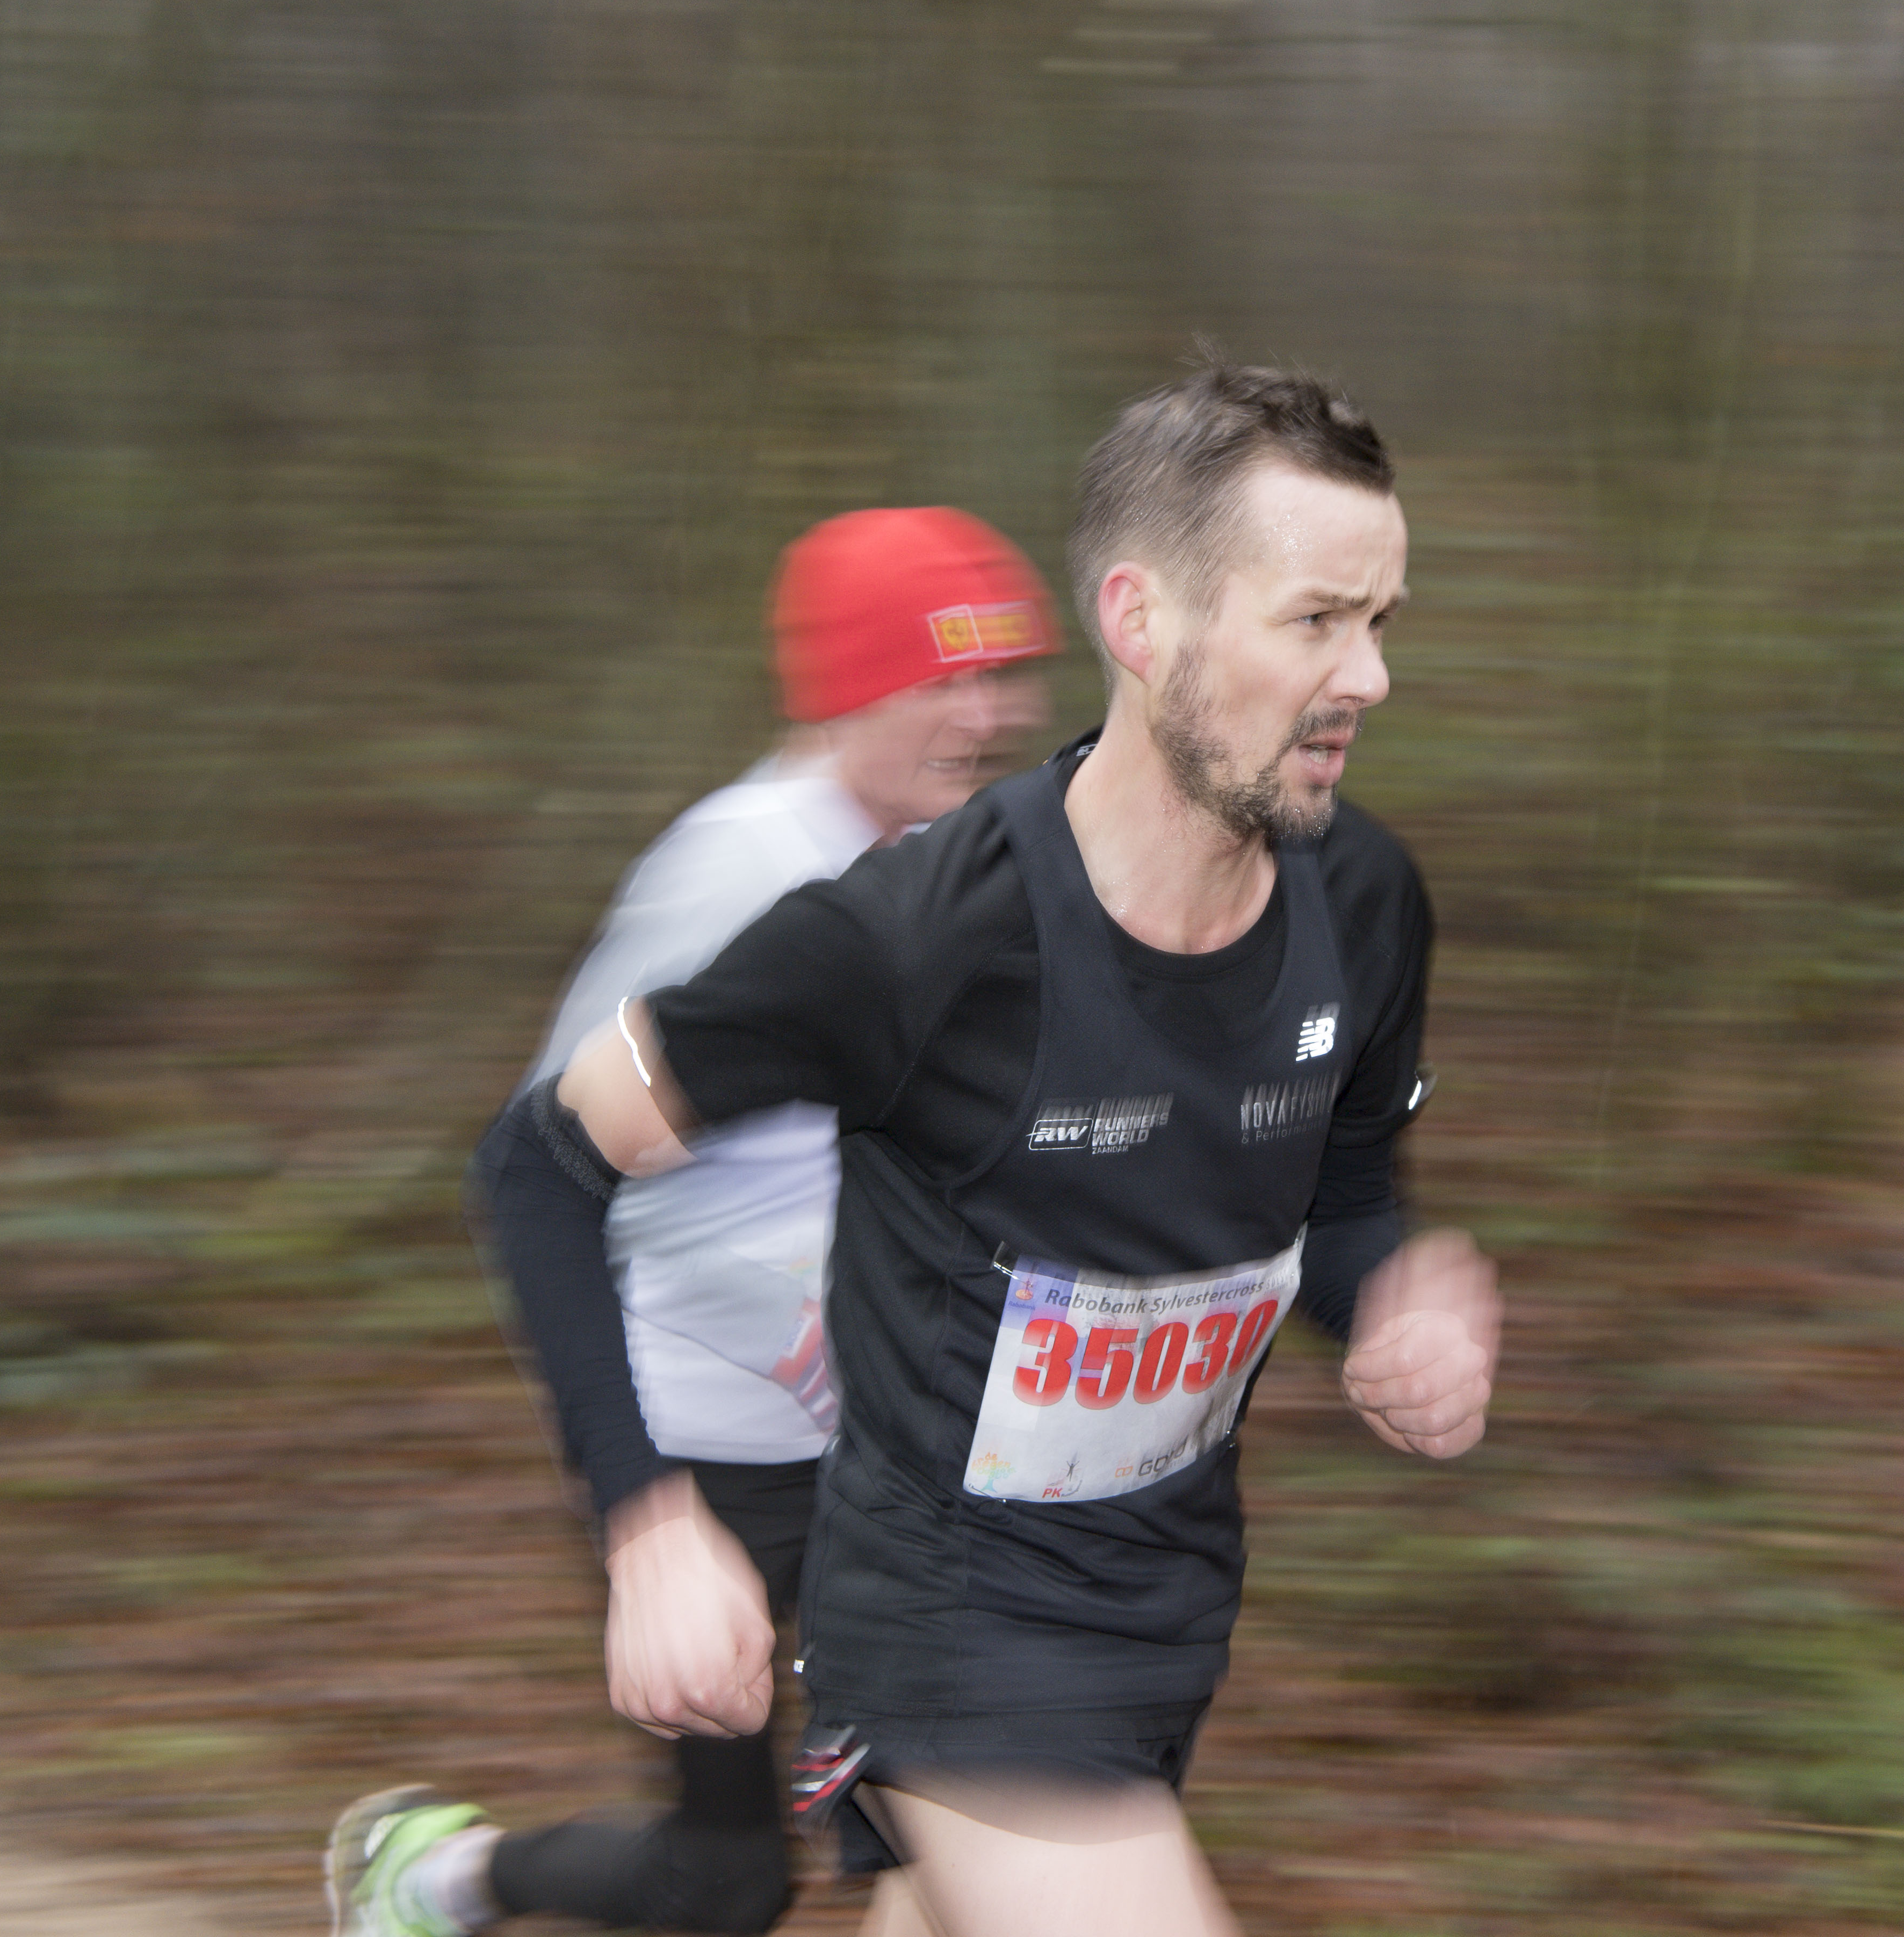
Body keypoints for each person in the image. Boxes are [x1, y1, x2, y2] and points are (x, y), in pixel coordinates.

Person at [493, 357, 1499, 1937]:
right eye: (1315, 620)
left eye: (1381, 621)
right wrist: (652, 1524)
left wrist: (1393, 1301)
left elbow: (1346, 1197)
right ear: (1143, 622)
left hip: (1166, 1615)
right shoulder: (917, 938)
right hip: (947, 1629)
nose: (1367, 675)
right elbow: (539, 1163)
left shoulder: (1366, 903)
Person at [326, 508, 1059, 1937]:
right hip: (698, 1448)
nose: (984, 717)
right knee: (726, 1884)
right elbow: (528, 1173)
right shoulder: (736, 870)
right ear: (843, 687)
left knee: (971, 1828)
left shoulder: (969, 862)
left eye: (1001, 677)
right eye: (940, 679)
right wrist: (645, 1515)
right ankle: (432, 1874)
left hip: (879, 1460)